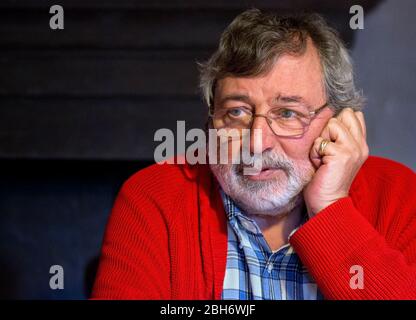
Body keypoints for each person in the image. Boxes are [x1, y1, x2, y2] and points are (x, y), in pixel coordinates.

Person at [91, 9, 416, 300]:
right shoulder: (154, 197)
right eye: (235, 113)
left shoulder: (398, 195)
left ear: (337, 121)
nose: (256, 143)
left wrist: (330, 206)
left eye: (287, 114)